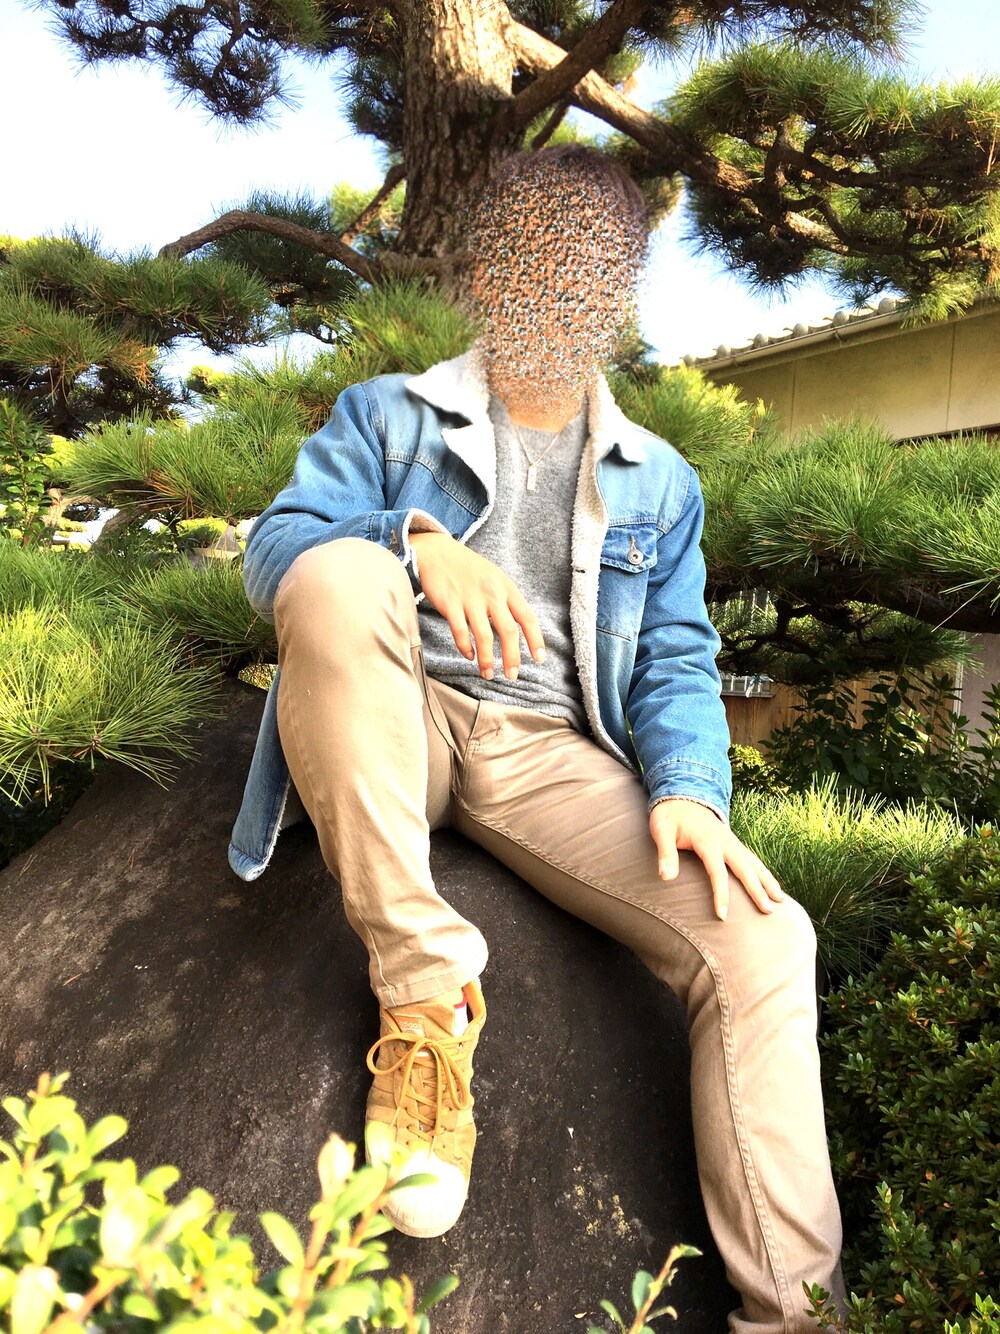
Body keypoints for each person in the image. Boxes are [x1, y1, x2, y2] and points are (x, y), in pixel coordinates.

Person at [228, 145, 844, 1332]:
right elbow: (274, 554)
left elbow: (675, 654)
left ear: (621, 288)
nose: (558, 283)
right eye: (532, 255)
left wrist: (689, 789)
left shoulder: (660, 481)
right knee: (338, 570)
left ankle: (795, 1314)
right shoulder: (385, 414)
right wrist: (415, 543)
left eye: (589, 264)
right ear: (485, 270)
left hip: (545, 753)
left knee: (765, 937)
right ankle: (425, 1001)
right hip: (391, 711)